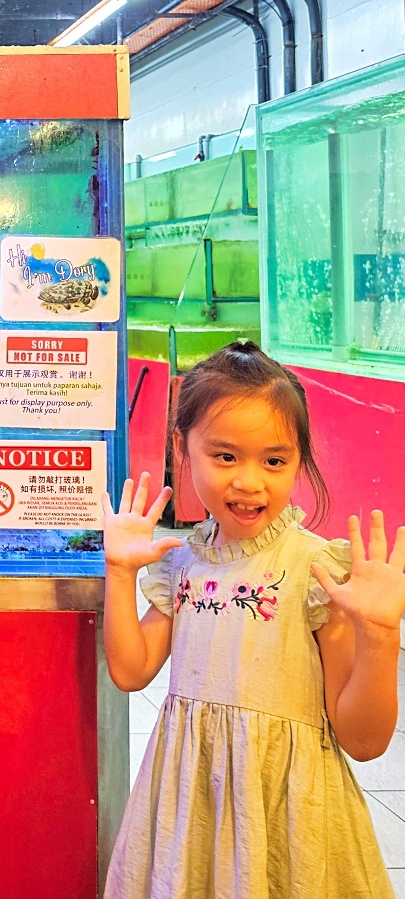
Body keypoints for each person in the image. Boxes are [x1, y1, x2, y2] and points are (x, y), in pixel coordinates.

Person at [102, 340, 400, 898]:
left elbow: (363, 741)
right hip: (191, 801)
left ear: (299, 460)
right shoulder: (184, 562)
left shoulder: (315, 569)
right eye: (224, 456)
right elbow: (130, 670)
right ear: (181, 449)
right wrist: (119, 572)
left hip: (289, 813)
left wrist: (380, 637)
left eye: (275, 460)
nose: (249, 481)